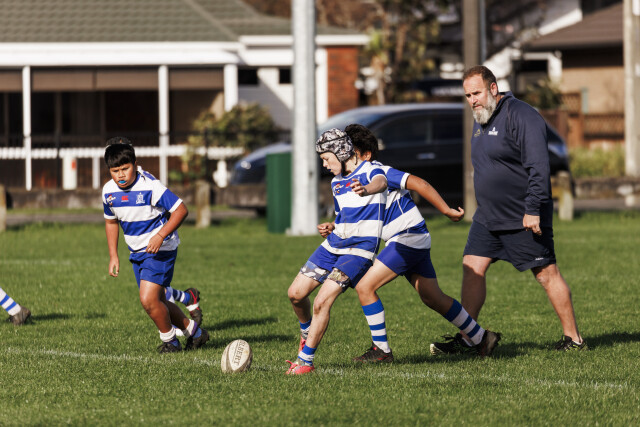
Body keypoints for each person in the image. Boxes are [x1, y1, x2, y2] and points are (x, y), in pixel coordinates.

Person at [431, 65, 586, 354]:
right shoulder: (481, 118)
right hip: (488, 216)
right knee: (472, 266)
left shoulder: (522, 115)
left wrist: (533, 209)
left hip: (522, 215)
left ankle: (573, 339)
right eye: (467, 95)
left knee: (546, 273)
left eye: (476, 93)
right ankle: (471, 338)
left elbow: (539, 167)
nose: (472, 100)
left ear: (493, 88)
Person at [319, 124, 500, 362]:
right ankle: (482, 337)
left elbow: (419, 184)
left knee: (365, 286)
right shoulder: (351, 180)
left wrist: (446, 210)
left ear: (365, 154)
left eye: (351, 152)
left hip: (407, 237)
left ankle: (381, 351)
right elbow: (353, 215)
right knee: (433, 297)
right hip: (411, 238)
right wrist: (334, 226)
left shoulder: (379, 172)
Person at [286, 128, 387, 375]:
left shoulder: (371, 169)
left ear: (341, 152)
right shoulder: (336, 182)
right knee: (295, 294)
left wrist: (367, 189)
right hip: (333, 245)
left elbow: (381, 182)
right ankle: (307, 332)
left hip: (359, 251)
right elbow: (343, 216)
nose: (324, 164)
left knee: (322, 301)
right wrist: (332, 225)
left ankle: (305, 362)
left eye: (326, 158)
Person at [102, 137, 209, 353]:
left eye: (125, 169)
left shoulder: (150, 186)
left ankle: (171, 342)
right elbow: (111, 222)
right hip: (137, 252)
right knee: (158, 300)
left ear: (135, 164)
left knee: (148, 300)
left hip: (161, 249)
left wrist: (160, 236)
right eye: (115, 171)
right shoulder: (108, 191)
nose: (121, 175)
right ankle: (196, 334)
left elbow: (181, 210)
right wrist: (113, 255)